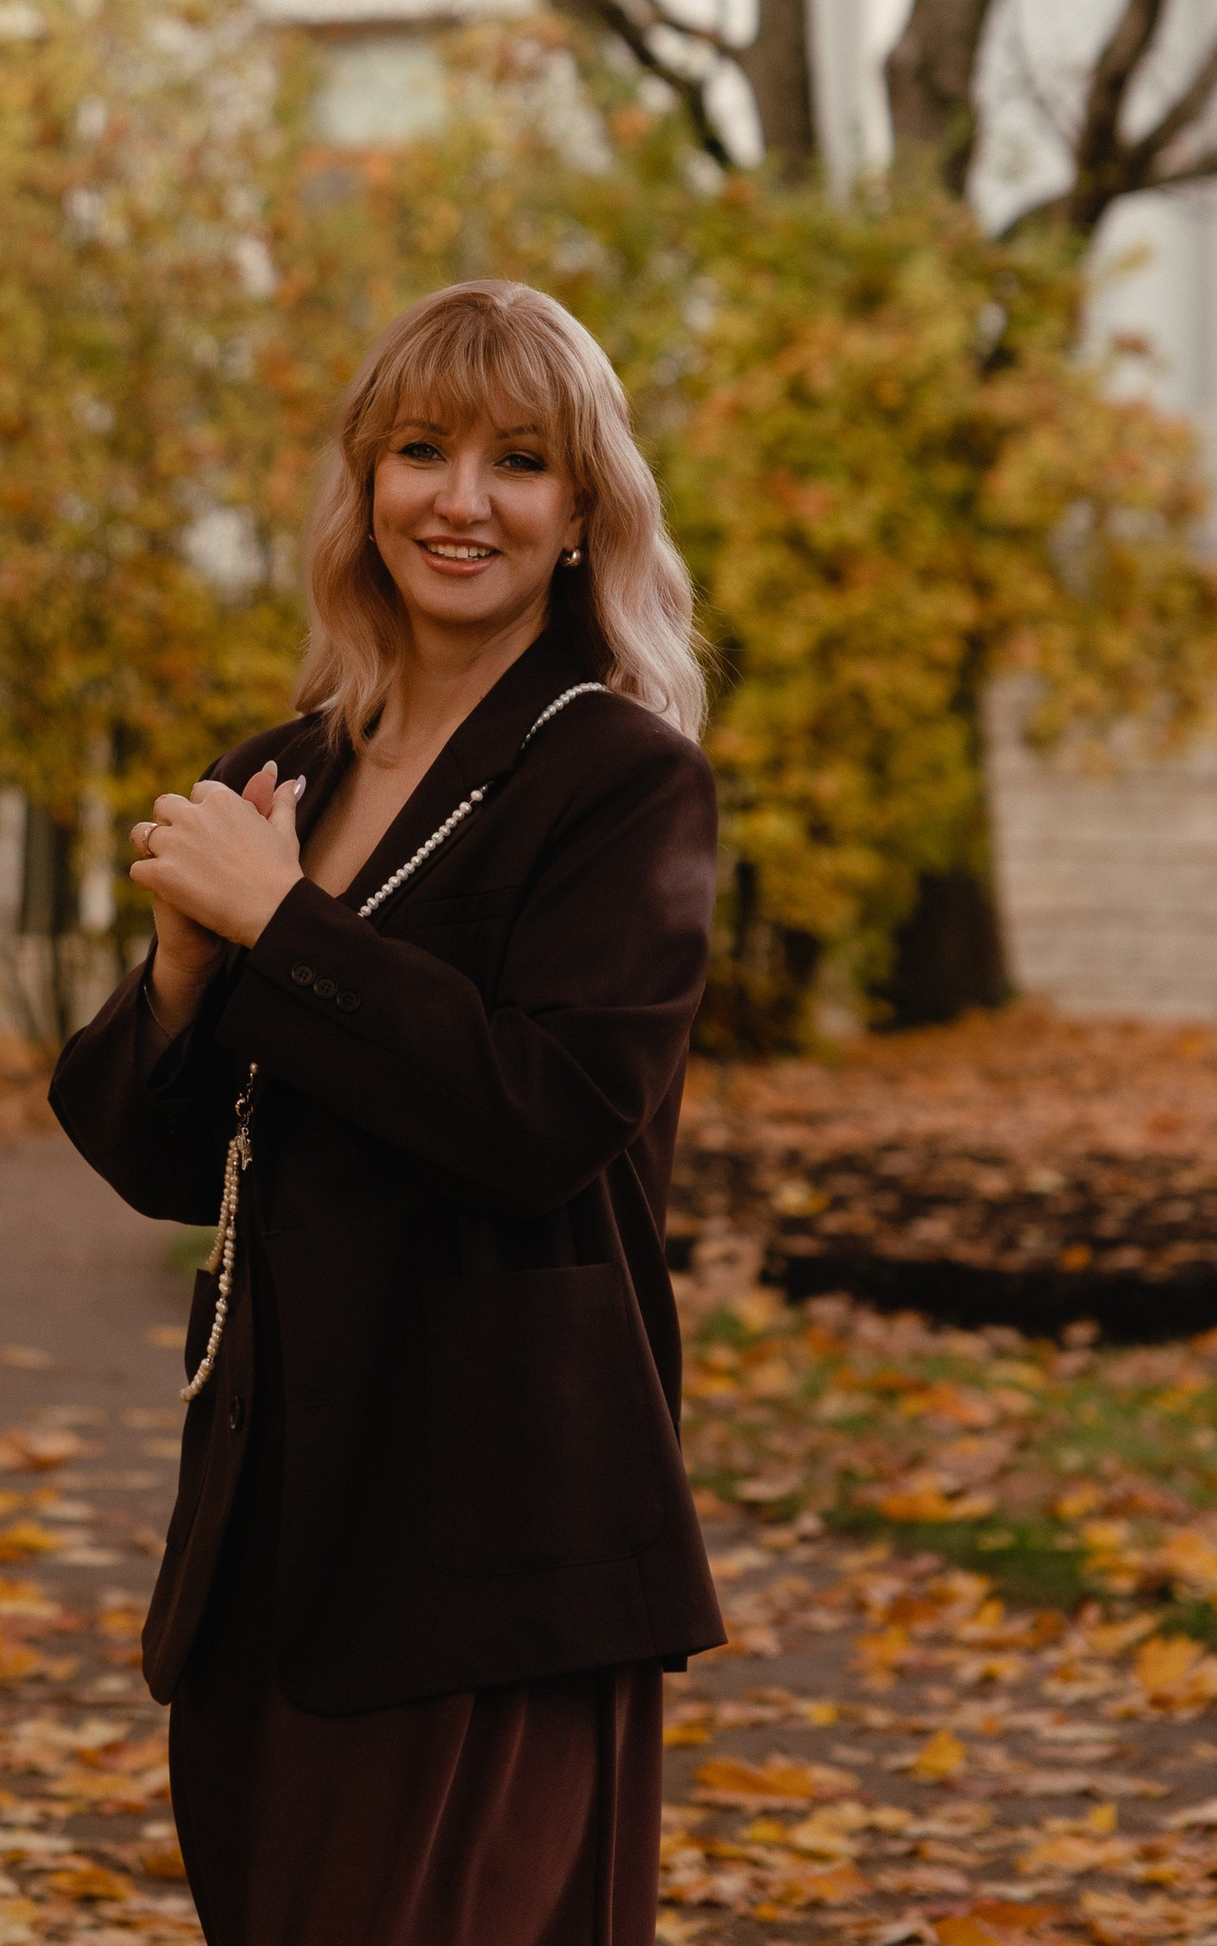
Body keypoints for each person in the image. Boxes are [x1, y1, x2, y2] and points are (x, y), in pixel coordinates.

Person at [50, 277, 723, 1946]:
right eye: (421, 450)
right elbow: (166, 1158)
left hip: (490, 1510)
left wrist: (283, 928)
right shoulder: (289, 770)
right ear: (365, 483)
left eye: (518, 460)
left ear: (584, 512)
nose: (460, 499)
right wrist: (186, 970)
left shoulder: (620, 777)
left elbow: (547, 1112)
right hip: (279, 1499)